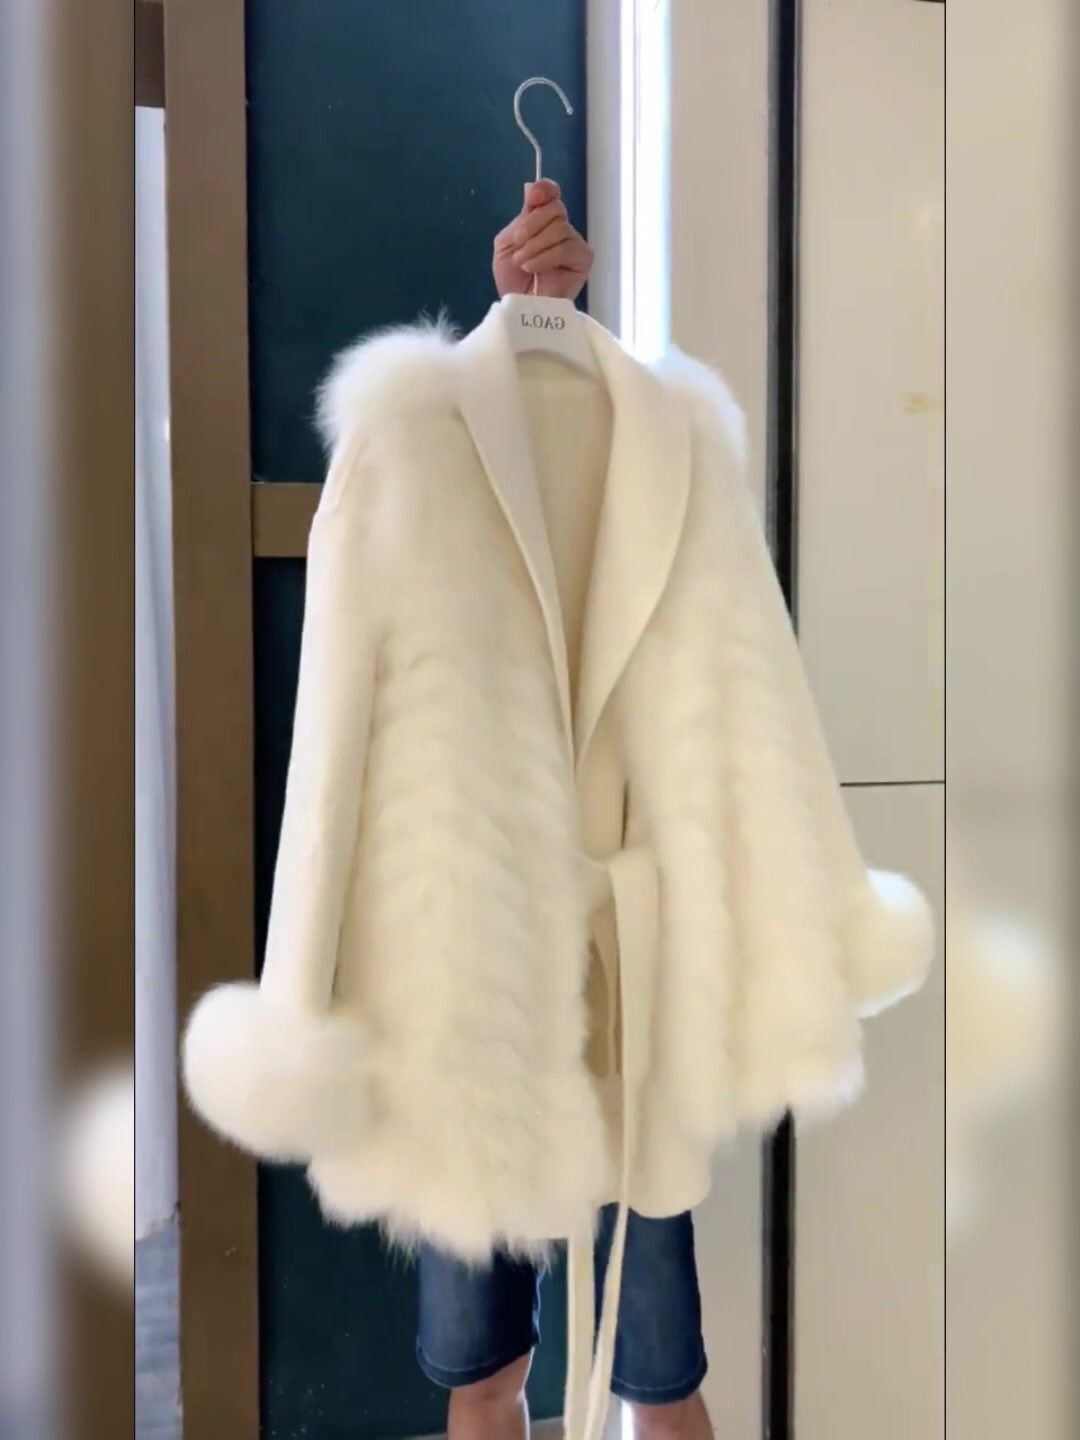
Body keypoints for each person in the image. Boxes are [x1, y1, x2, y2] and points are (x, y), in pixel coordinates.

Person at [411, 180, 715, 1440]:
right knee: (479, 1365)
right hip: (469, 961)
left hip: (628, 963)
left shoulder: (660, 448)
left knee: (660, 1373)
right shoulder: (425, 444)